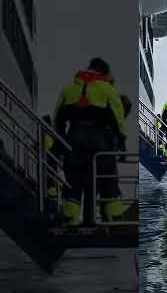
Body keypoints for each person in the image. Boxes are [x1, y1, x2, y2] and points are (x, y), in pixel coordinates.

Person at [54, 58, 127, 226]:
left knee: (73, 181)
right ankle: (114, 219)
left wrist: (60, 140)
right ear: (103, 72)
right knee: (108, 178)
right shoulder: (107, 89)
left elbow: (58, 116)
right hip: (99, 138)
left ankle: (70, 219)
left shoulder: (69, 88)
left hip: (74, 137)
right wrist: (122, 143)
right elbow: (118, 118)